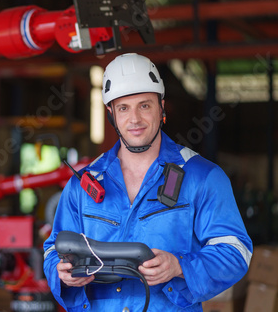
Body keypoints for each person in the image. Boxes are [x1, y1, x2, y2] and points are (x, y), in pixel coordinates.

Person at [43, 53, 252, 311]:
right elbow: (53, 249)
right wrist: (61, 271)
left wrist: (179, 266)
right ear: (111, 114)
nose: (135, 120)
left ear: (161, 106)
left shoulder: (203, 177)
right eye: (123, 108)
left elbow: (236, 252)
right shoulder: (83, 184)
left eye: (144, 105)